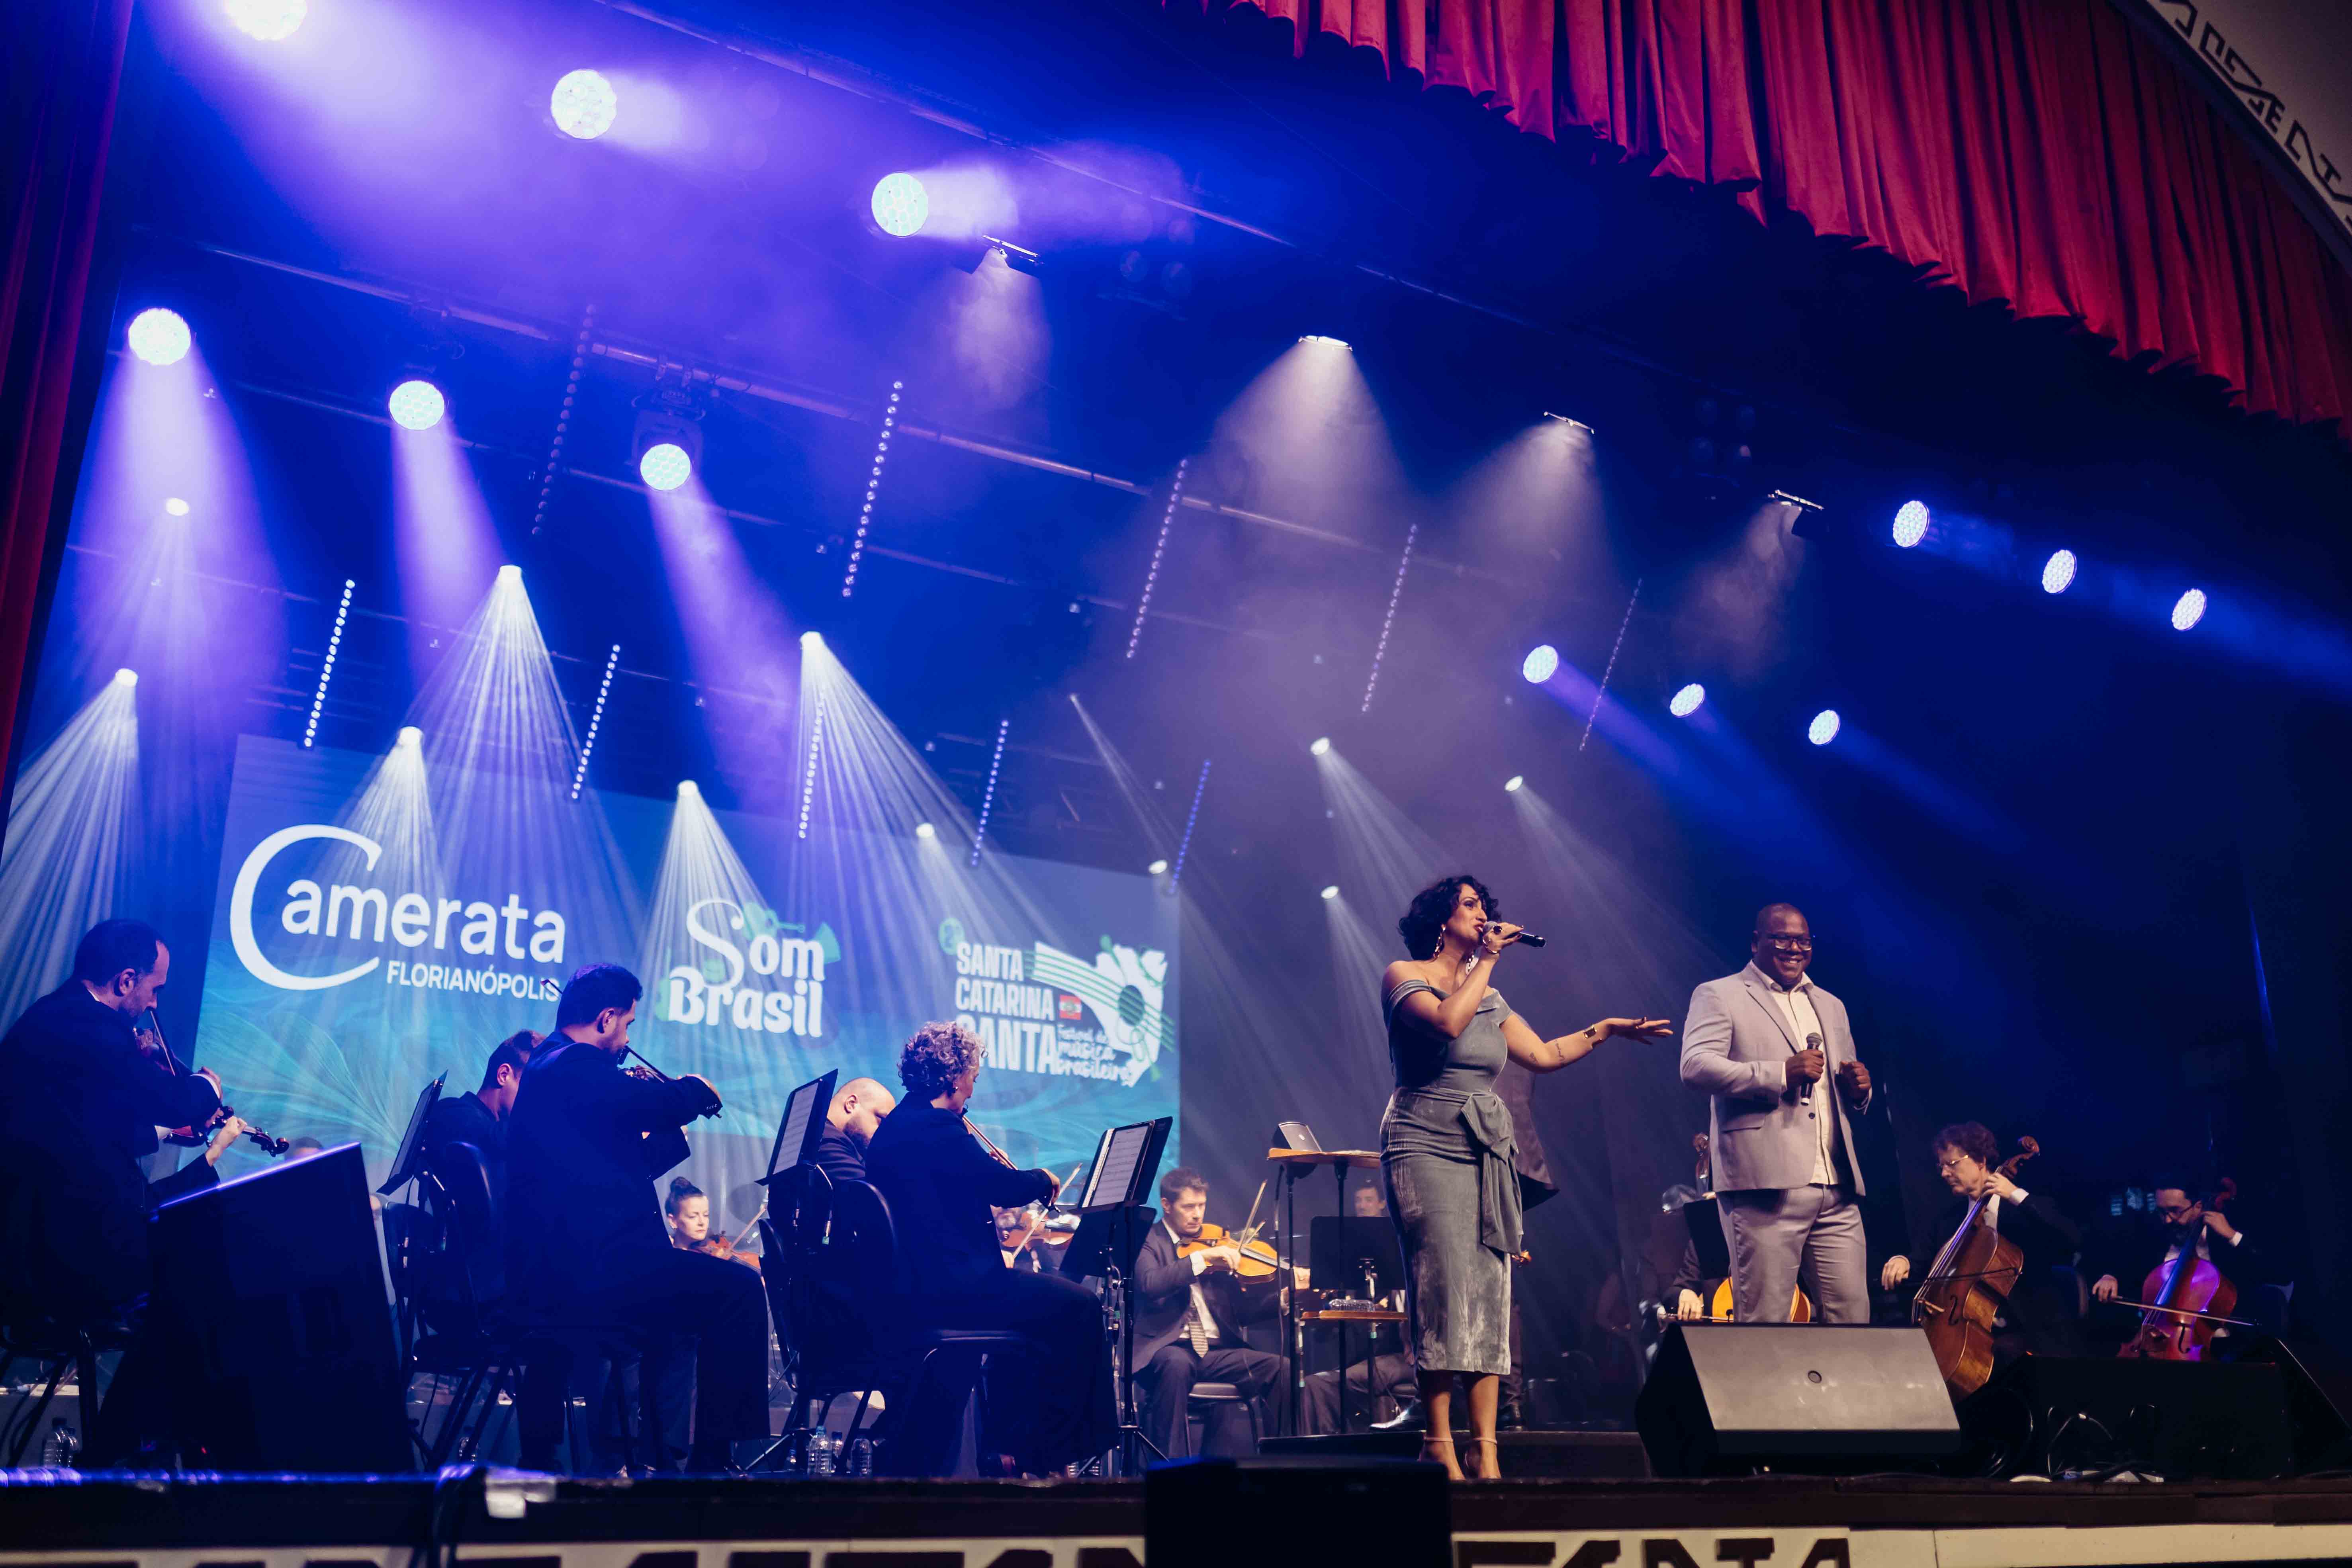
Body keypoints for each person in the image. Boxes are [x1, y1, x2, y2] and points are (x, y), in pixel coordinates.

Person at [1381, 873, 1669, 1479]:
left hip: (1484, 1146)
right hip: (1424, 1139)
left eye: (1484, 906)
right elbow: (1445, 1024)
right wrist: (1485, 959)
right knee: (1442, 1284)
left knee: (1491, 1287)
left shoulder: (1490, 997)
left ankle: (1485, 1447)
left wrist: (1605, 1029)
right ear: (1440, 918)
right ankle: (1438, 1440)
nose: (1482, 913)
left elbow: (1542, 1055)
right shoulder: (1404, 974)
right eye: (1469, 905)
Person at [0, 920, 249, 1463]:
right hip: (60, 1256)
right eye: (154, 989)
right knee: (204, 1287)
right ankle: (125, 1453)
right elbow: (178, 1100)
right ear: (126, 980)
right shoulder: (91, 1028)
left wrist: (164, 1128)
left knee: (190, 1284)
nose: (155, 1004)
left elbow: (86, 1131)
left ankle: (134, 1445)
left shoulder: (57, 1018)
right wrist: (207, 1086)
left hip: (42, 1240)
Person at [504, 963, 766, 1472]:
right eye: (626, 1025)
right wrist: (694, 1089)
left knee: (688, 1306)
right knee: (738, 1291)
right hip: (591, 1275)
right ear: (605, 1019)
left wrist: (669, 1133)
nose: (627, 1040)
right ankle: (712, 1464)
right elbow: (652, 1101)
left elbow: (620, 1169)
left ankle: (660, 1457)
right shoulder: (570, 1063)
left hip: (574, 1269)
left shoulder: (553, 1070)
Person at [865, 1020, 1111, 1476]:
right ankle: (1053, 1452)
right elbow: (1002, 1185)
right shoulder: (939, 1127)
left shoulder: (895, 1127)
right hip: (956, 1291)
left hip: (915, 1290)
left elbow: (942, 1196)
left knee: (1033, 1321)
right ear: (955, 1076)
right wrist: (1041, 1179)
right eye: (973, 1077)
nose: (973, 1090)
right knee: (1080, 1307)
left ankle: (1009, 1447)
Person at [1679, 903, 1875, 1327]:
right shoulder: (1719, 994)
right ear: (1756, 942)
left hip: (1836, 1185)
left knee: (1853, 1323)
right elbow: (1695, 1066)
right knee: (1767, 1325)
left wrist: (1860, 1090)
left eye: (1803, 940)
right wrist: (1780, 1073)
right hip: (1763, 1186)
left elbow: (1839, 1083)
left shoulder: (1831, 1005)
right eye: (1782, 938)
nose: (1794, 948)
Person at [1879, 1122, 2082, 1364]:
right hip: (1969, 1332)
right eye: (1941, 1166)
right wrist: (1902, 1261)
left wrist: (2016, 1194)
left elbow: (2071, 1239)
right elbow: (1922, 1263)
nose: (1944, 1173)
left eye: (1952, 1164)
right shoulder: (1949, 1221)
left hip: (2029, 1330)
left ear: (1980, 1161)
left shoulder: (2023, 1209)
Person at [1131, 1167, 1287, 1459]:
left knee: (1281, 1368)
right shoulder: (1149, 1239)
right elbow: (1150, 1284)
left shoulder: (1216, 1242)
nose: (1198, 1215)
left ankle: (1281, 1462)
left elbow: (1242, 1313)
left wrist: (1282, 1300)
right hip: (1167, 1348)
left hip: (1215, 1353)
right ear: (1167, 1205)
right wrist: (1200, 1259)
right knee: (1177, 1365)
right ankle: (1170, 1472)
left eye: (1202, 1206)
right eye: (1189, 1207)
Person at [418, 1031, 539, 1311]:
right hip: (477, 1292)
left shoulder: (498, 1131)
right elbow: (494, 1141)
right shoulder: (452, 1113)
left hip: (502, 1284)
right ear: (504, 1075)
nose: (536, 1102)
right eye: (533, 1091)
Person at [2087, 1175, 2277, 1345]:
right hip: (2161, 1340)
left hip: (2223, 1345)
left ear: (2199, 1207)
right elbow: (2127, 1262)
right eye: (2162, 1212)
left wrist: (2233, 1236)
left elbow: (2273, 1272)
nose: (2168, 1220)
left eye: (2175, 1211)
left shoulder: (2222, 1240)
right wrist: (2110, 1276)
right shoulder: (2155, 1236)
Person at [1304, 1184, 1418, 1433]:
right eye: (1359, 1200)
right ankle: (1332, 1446)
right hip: (1377, 1355)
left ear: (1383, 1204)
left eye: (1369, 1200)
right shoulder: (1354, 1260)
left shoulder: (1408, 1256)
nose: (1363, 1206)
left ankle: (1329, 1448)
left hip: (1409, 1358)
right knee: (1319, 1381)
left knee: (1319, 1385)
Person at [813, 1076, 895, 1184]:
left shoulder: (824, 1136)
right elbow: (870, 1192)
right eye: (882, 1120)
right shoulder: (822, 1139)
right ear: (851, 1104)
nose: (883, 1134)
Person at [665, 1176, 757, 1270]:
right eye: (693, 1217)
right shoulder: (666, 1259)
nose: (702, 1223)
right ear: (673, 1221)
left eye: (706, 1215)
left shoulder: (708, 1251)